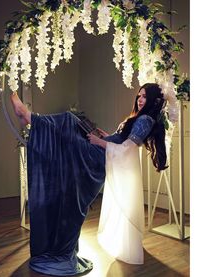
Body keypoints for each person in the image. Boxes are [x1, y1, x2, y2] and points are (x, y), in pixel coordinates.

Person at [10, 83, 167, 275]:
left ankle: (29, 117)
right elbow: (121, 140)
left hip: (101, 158)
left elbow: (128, 149)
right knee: (74, 124)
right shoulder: (139, 118)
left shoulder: (146, 120)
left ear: (153, 100)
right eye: (139, 96)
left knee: (69, 120)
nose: (140, 100)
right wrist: (106, 136)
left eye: (144, 97)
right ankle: (30, 118)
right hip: (103, 153)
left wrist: (100, 142)